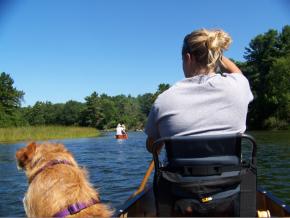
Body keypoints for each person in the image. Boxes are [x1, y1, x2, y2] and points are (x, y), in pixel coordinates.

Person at [145, 28, 253, 153]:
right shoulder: (239, 86)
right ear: (215, 56)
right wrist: (215, 53)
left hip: (181, 173)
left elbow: (153, 148)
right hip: (233, 173)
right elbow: (237, 72)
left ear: (187, 58)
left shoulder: (164, 100)